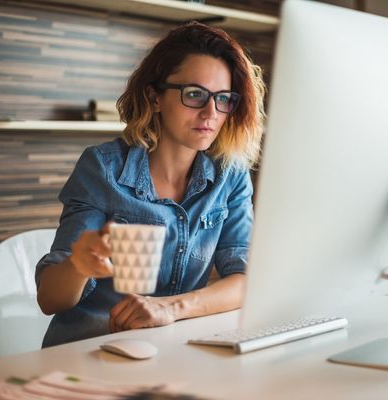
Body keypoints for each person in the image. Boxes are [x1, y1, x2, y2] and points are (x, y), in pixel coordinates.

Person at [35, 22, 266, 347]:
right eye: (195, 95)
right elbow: (50, 300)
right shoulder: (103, 168)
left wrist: (170, 308)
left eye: (223, 98)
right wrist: (78, 265)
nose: (211, 113)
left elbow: (246, 281)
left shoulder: (230, 173)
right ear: (154, 97)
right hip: (90, 350)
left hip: (170, 352)